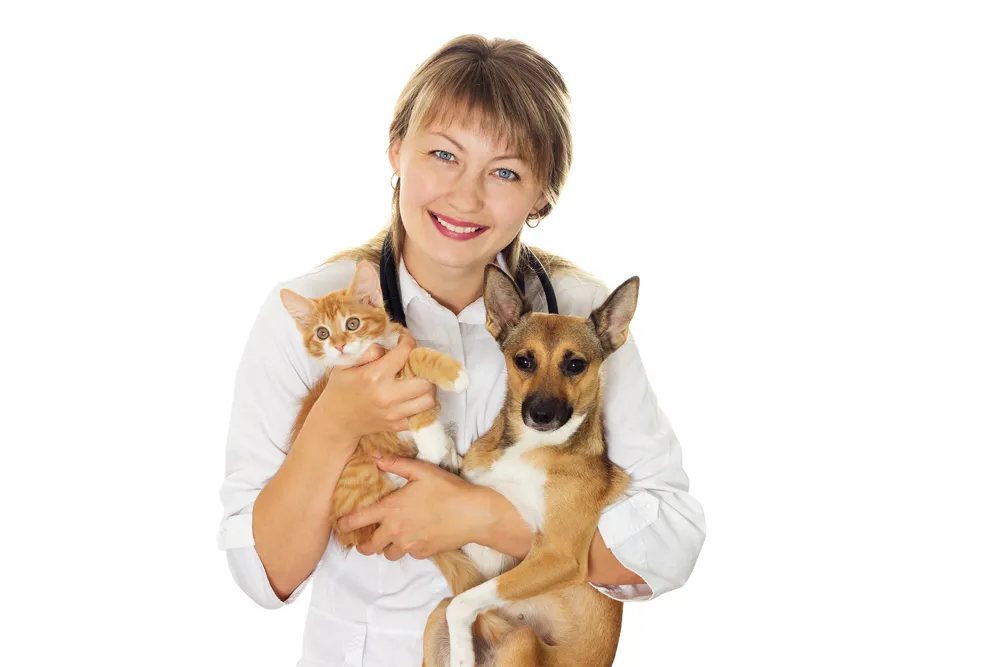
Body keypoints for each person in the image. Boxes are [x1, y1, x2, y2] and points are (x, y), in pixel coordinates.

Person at [217, 34, 706, 666]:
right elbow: (264, 575)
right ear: (396, 150)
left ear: (543, 197)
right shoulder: (309, 312)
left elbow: (673, 541)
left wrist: (482, 518)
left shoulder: (579, 319)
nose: (466, 196)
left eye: (505, 171)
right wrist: (336, 422)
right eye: (443, 154)